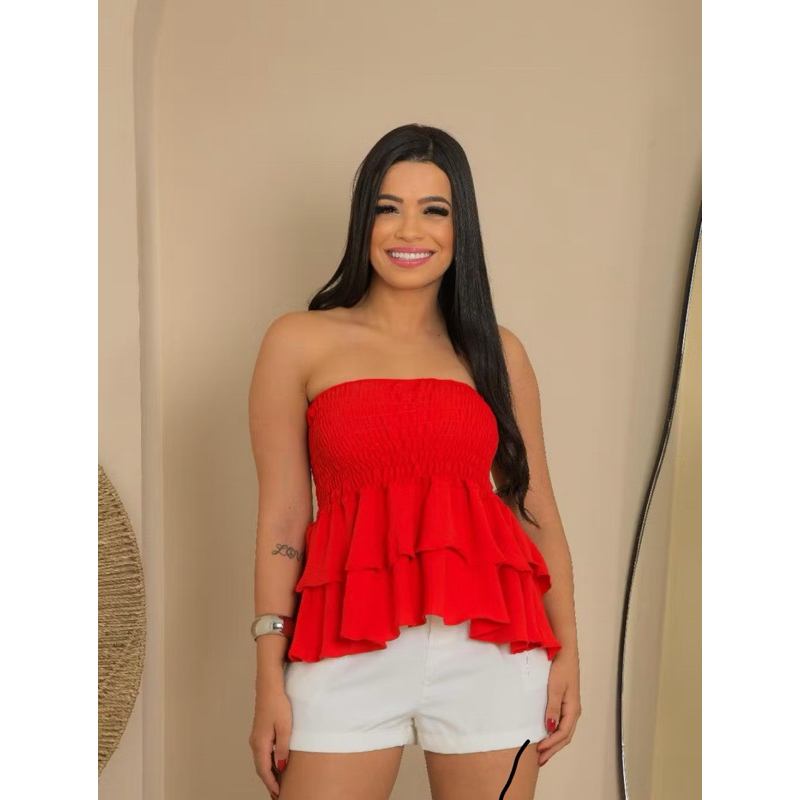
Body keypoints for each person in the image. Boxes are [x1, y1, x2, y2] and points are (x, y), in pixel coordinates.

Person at [247, 124, 581, 800]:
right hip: (345, 642)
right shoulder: (299, 341)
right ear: (363, 221)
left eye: (434, 210)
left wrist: (570, 649)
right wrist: (268, 674)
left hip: (491, 647)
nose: (410, 230)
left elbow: (533, 505)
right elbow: (283, 519)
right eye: (388, 207)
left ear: (461, 229)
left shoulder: (497, 352)